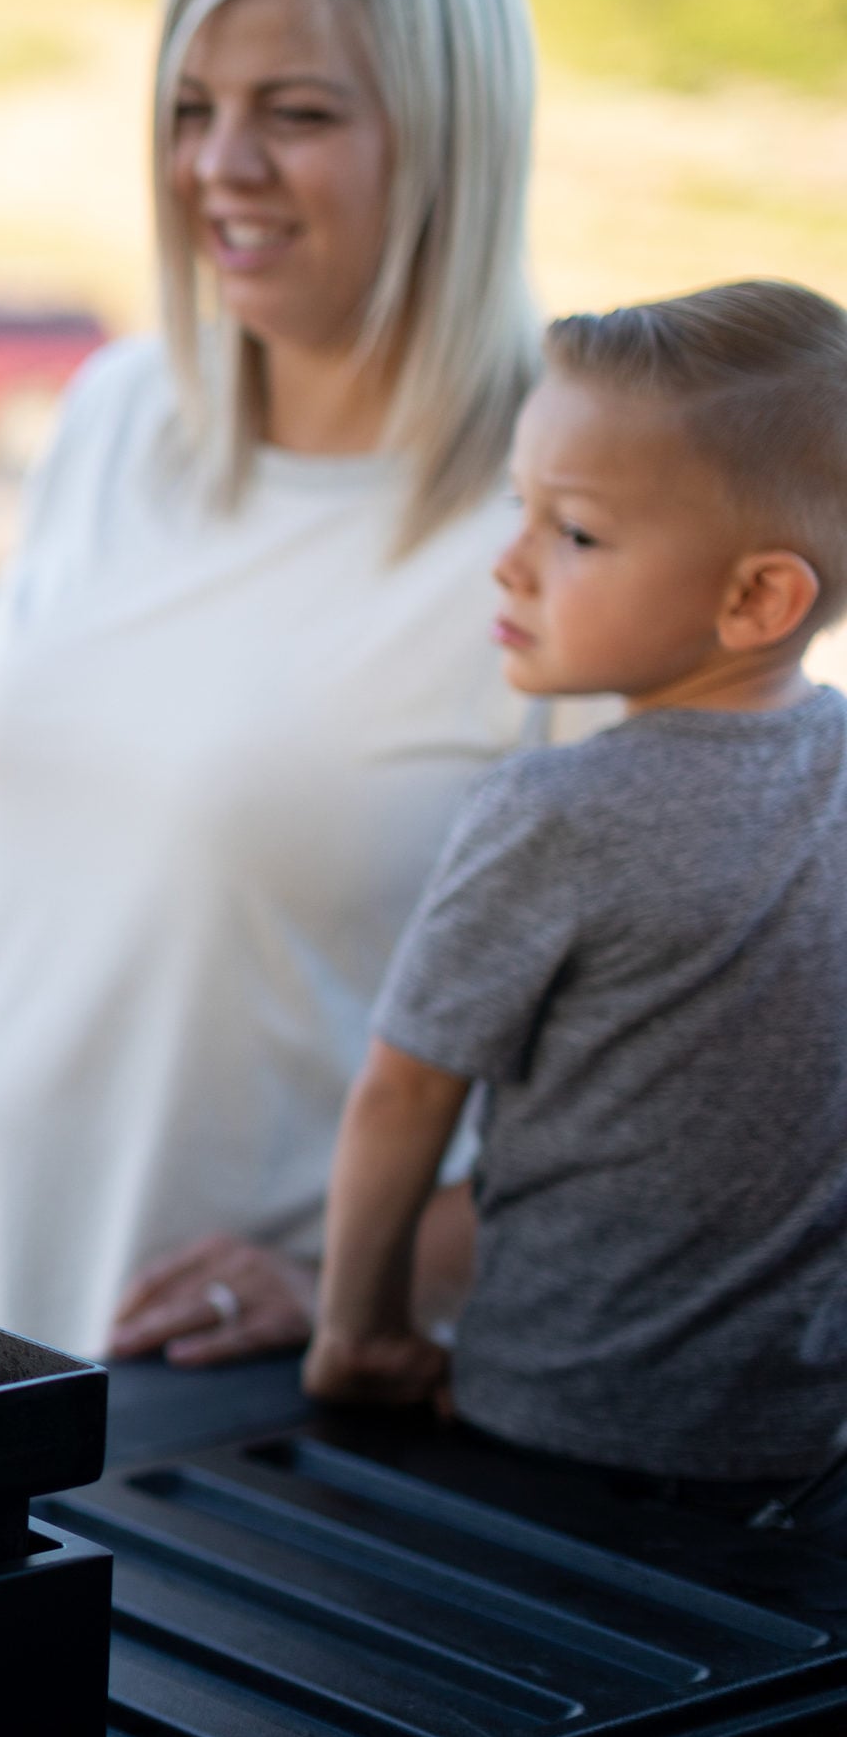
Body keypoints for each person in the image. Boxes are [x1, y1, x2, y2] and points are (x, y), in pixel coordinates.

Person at [0, 0, 562, 1363]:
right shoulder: (114, 418)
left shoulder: (571, 522)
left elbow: (670, 1096)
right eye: (189, 108)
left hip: (209, 1418)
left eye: (295, 113)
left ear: (453, 137)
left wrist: (371, 1286)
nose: (221, 163)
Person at [307, 283, 847, 1489]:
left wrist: (355, 1330)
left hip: (547, 1428)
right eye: (521, 507)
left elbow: (402, 1095)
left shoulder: (550, 812)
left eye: (577, 534)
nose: (508, 562)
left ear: (759, 597)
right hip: (800, 1451)